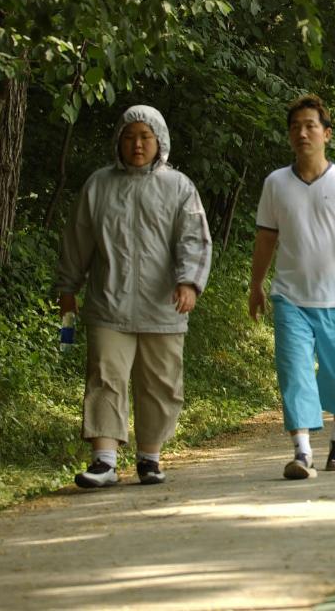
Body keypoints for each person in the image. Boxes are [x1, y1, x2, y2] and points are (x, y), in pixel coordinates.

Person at [55, 105, 212, 488]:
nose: (137, 145)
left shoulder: (179, 187)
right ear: (118, 143)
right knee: (105, 377)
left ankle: (149, 457)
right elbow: (78, 241)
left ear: (160, 142)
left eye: (145, 137)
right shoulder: (98, 185)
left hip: (164, 306)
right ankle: (104, 461)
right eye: (129, 137)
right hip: (109, 301)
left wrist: (189, 282)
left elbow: (193, 239)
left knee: (160, 383)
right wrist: (66, 288)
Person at [248, 94, 335, 480]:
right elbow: (266, 239)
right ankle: (301, 452)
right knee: (295, 372)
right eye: (295, 128)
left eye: (310, 126)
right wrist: (256, 284)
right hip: (290, 297)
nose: (302, 133)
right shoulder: (276, 183)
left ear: (326, 133)